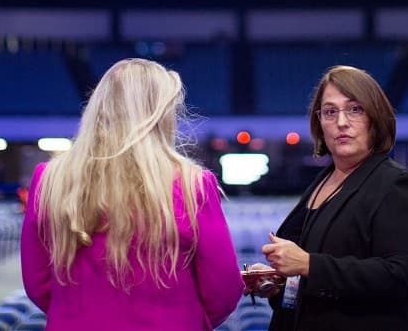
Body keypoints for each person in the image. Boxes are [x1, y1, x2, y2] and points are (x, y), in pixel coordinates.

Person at [20, 58, 244, 330]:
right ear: (160, 115)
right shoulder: (192, 184)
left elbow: (37, 283)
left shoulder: (49, 180)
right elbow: (223, 289)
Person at [256, 64, 408, 331]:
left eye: (355, 109)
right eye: (330, 112)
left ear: (376, 118)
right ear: (320, 123)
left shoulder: (399, 185)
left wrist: (308, 265)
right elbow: (314, 280)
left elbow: (400, 279)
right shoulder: (323, 180)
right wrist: (280, 285)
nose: (341, 122)